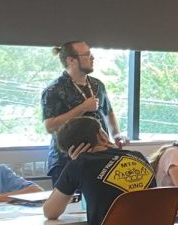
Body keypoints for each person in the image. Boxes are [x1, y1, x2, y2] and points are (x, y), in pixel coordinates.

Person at [43, 117, 155, 225]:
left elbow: (50, 212)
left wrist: (75, 163)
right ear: (102, 135)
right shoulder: (138, 157)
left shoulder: (80, 165)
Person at [41, 41, 128, 184]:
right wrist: (82, 108)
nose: (92, 58)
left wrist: (116, 134)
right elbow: (50, 127)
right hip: (67, 159)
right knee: (72, 205)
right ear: (71, 60)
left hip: (99, 157)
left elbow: (109, 112)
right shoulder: (54, 89)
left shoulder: (97, 85)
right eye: (87, 55)